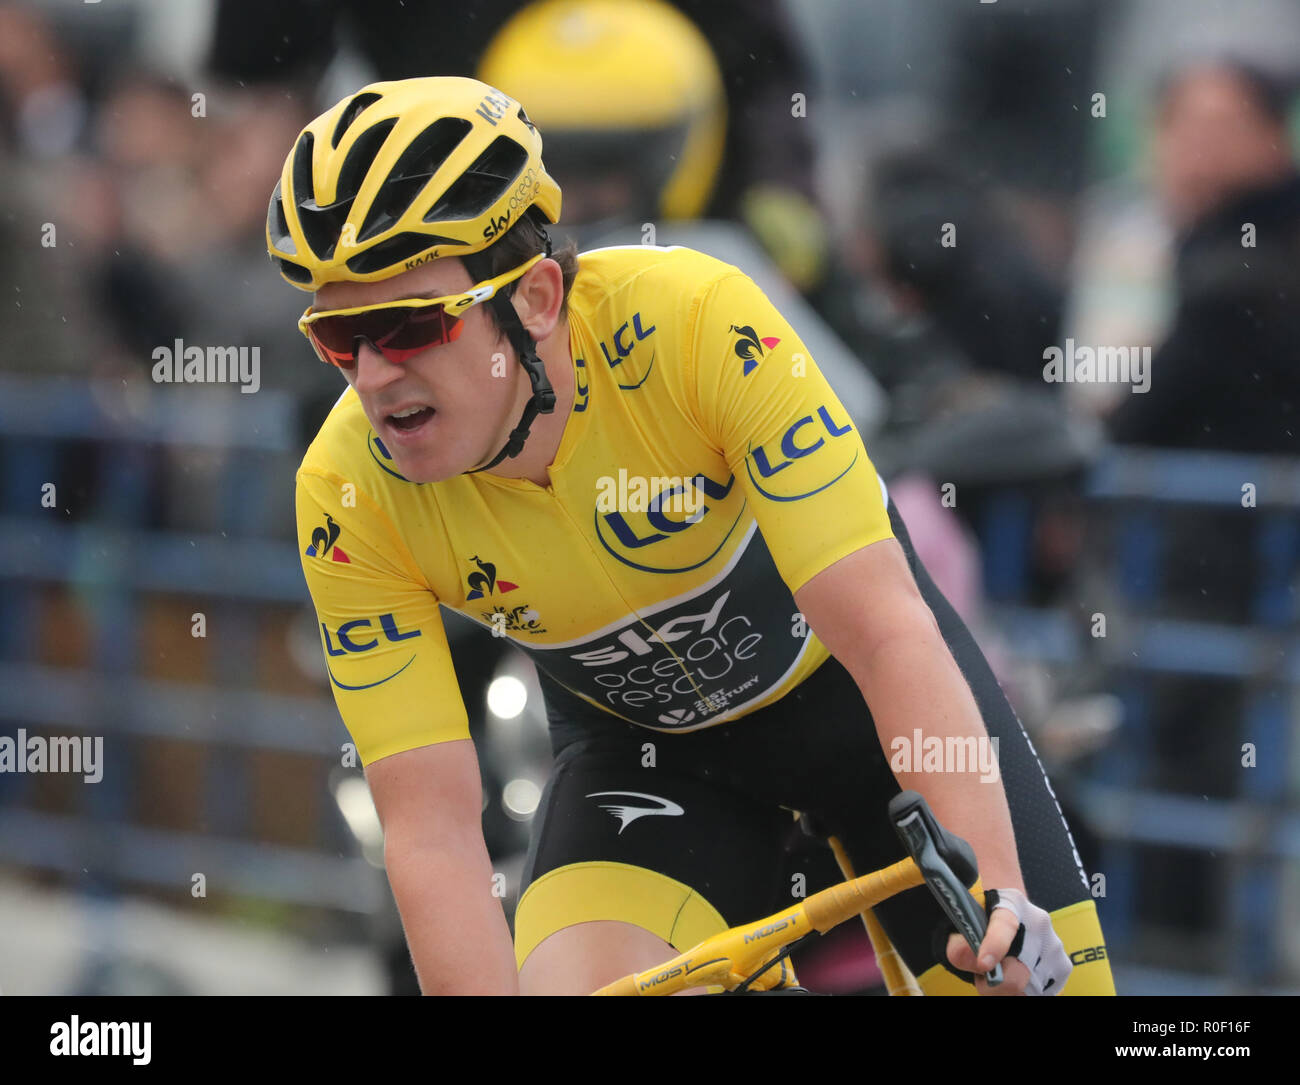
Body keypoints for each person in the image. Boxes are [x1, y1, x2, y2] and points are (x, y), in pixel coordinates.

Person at [269, 76, 1113, 995]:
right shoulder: (348, 489)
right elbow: (429, 824)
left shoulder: (694, 326)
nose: (374, 376)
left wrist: (998, 889)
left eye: (409, 325)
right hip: (652, 763)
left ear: (539, 296)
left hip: (867, 716)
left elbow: (884, 631)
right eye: (339, 338)